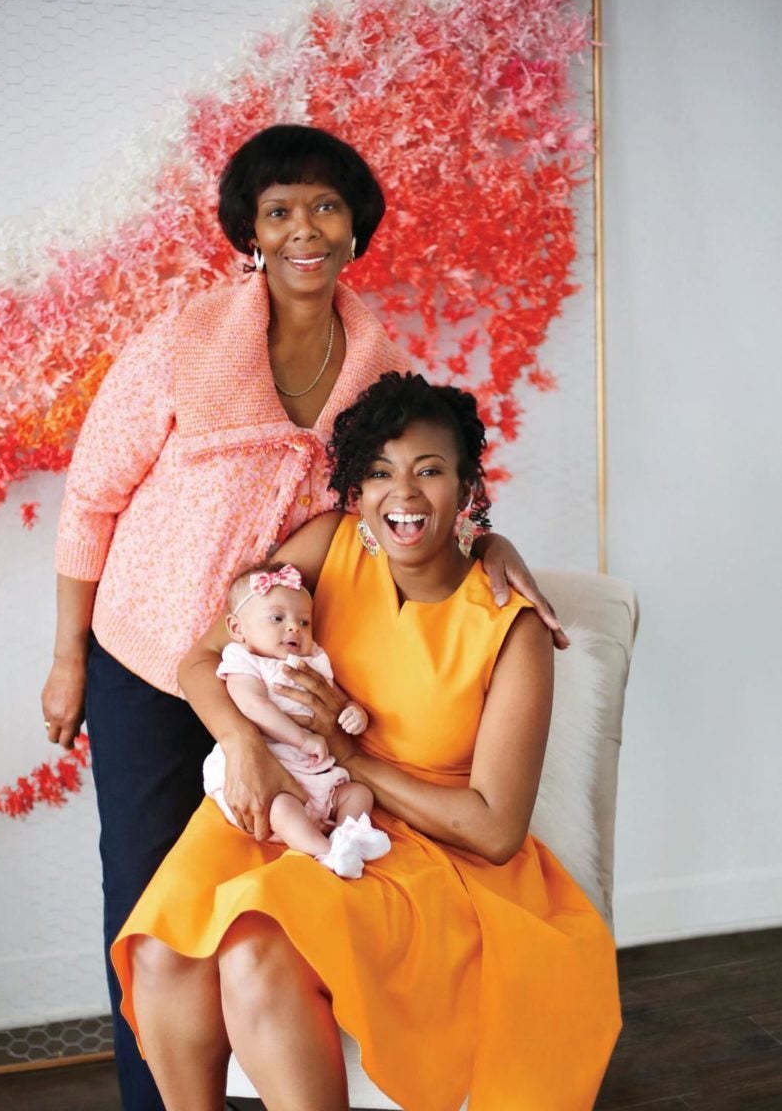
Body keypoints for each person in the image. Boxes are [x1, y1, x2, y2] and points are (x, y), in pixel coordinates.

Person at [41, 123, 566, 1111]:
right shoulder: (184, 342)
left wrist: (492, 542)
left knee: (259, 887)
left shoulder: (377, 360)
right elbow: (91, 497)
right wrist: (69, 656)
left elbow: (408, 488)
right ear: (250, 230)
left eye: (325, 207)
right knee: (153, 904)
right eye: (279, 210)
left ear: (355, 227)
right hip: (151, 658)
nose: (304, 230)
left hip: (284, 673)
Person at [111, 372, 620, 1111]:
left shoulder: (510, 627)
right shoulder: (331, 545)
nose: (402, 494)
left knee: (254, 952)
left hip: (422, 846)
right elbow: (203, 658)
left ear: (467, 486)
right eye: (380, 472)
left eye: (429, 471)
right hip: (289, 794)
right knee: (162, 953)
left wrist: (351, 759)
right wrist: (243, 746)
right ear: (357, 487)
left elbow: (495, 830)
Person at [204, 560, 390, 879]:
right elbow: (252, 705)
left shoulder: (313, 658)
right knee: (281, 808)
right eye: (277, 618)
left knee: (359, 794)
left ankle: (347, 838)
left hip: (314, 771)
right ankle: (326, 854)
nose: (294, 628)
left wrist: (352, 711)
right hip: (268, 768)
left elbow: (333, 697)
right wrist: (302, 739)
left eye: (304, 621)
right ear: (237, 628)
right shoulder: (245, 661)